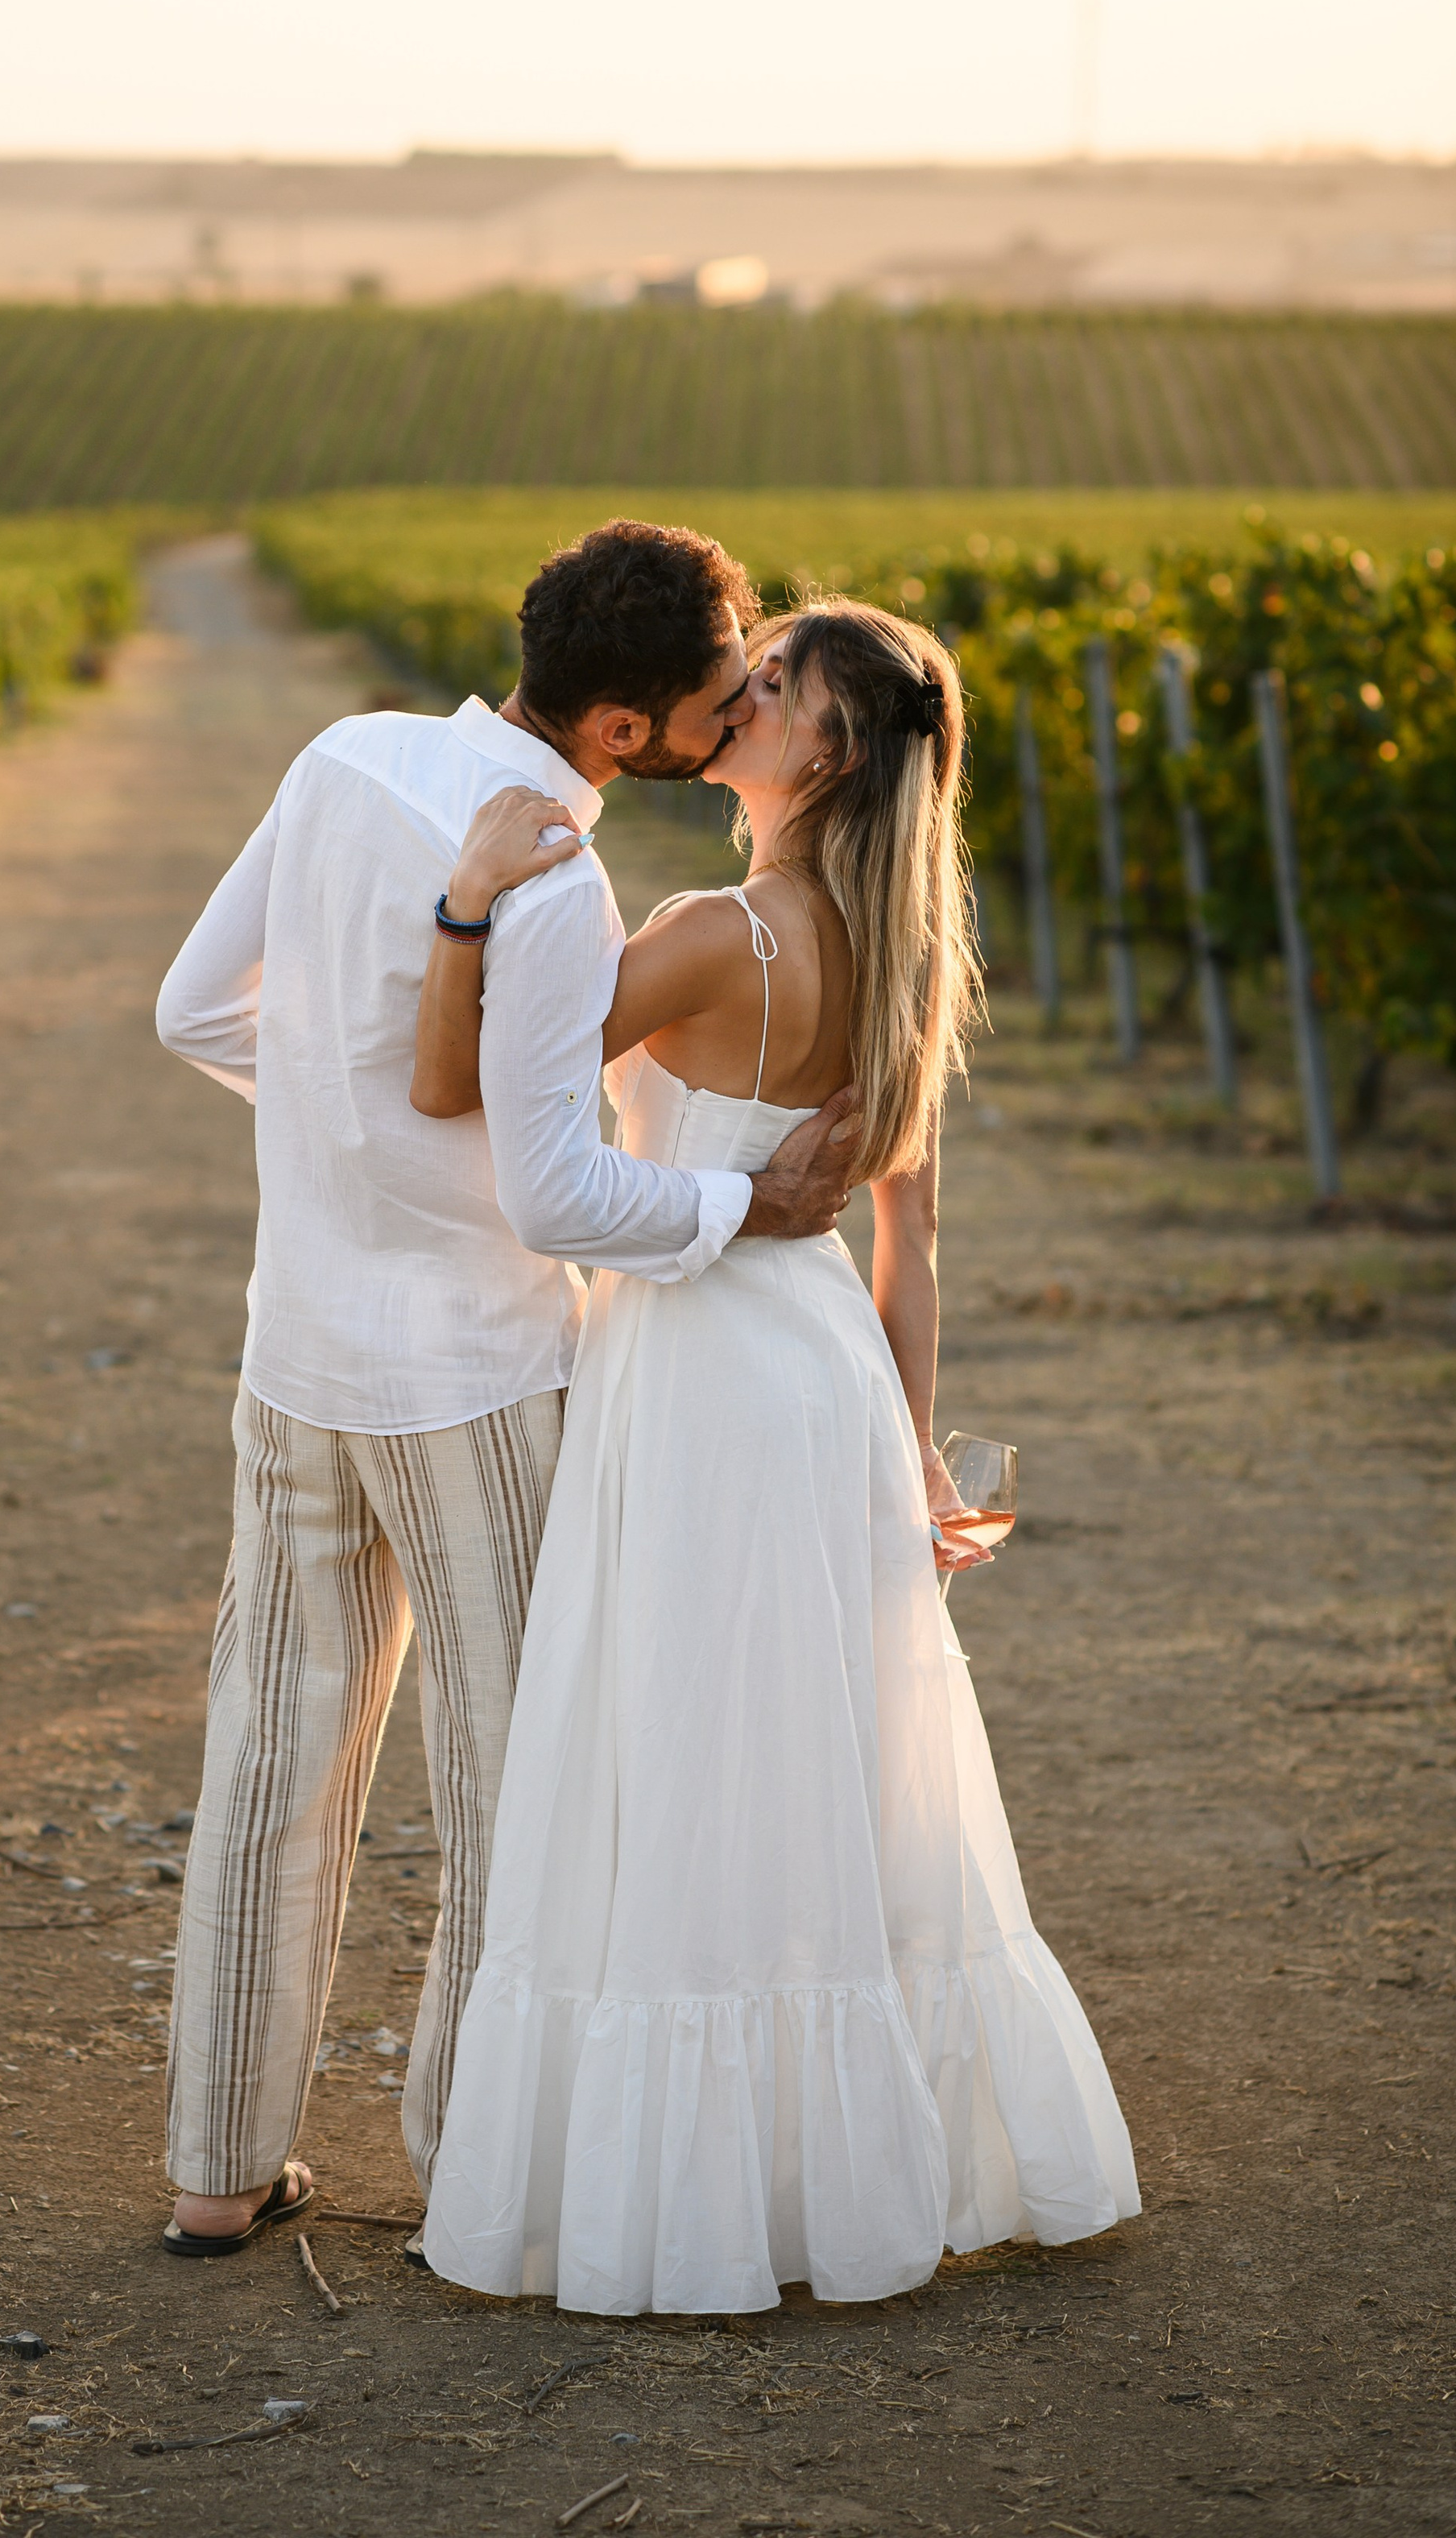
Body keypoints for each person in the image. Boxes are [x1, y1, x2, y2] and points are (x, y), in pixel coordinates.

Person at [414, 594, 1140, 2314]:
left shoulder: (708, 936)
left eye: (770, 682)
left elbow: (456, 1083)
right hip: (815, 1371)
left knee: (686, 1749)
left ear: (819, 746)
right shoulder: (893, 955)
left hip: (693, 1363)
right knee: (822, 1760)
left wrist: (466, 909)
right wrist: (917, 1461)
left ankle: (705, 2192)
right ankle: (839, 2172)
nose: (734, 695)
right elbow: (912, 1251)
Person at [151, 522, 861, 2255]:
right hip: (471, 1375)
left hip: (292, 1349)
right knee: (511, 1786)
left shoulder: (344, 755)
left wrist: (343, 1123)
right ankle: (477, 2166)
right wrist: (735, 1202)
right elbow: (551, 1197)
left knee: (267, 1757)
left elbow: (190, 1011)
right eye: (713, 698)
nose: (733, 715)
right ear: (620, 730)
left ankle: (213, 2172)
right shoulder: (553, 880)